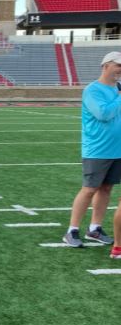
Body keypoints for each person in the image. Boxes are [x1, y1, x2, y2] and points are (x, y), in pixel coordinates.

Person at [62, 51, 121, 248]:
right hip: (97, 149)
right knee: (89, 189)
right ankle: (72, 230)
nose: (120, 70)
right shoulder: (92, 90)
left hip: (117, 149)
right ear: (106, 66)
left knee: (106, 188)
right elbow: (103, 113)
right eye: (118, 65)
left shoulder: (118, 89)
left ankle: (94, 228)